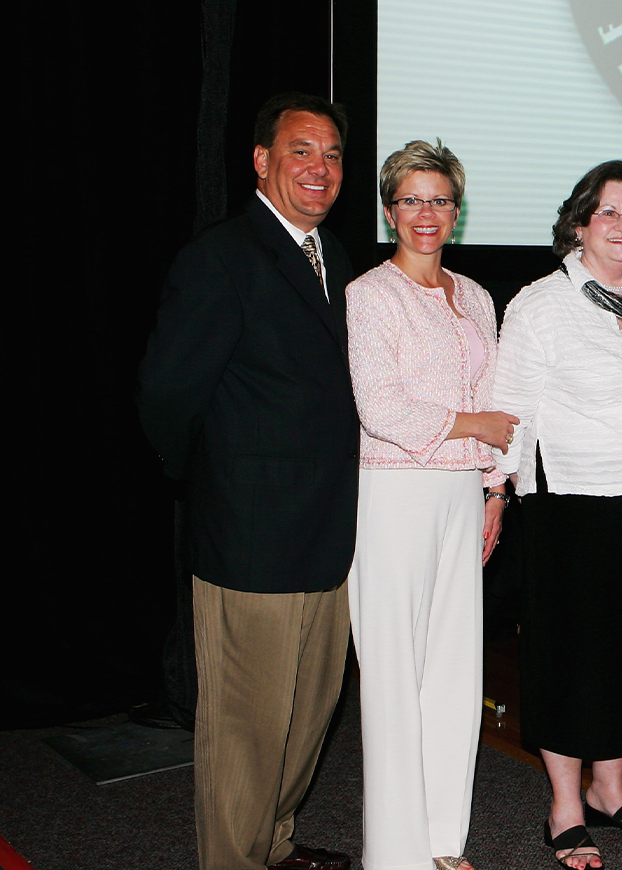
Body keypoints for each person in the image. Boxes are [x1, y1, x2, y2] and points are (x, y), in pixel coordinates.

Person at [138, 91, 358, 870]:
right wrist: (216, 484)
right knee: (245, 727)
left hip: (330, 535)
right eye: (301, 151)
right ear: (262, 162)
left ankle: (273, 842)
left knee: (307, 718)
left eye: (332, 154)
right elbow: (167, 397)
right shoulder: (220, 258)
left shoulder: (343, 261)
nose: (320, 168)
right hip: (250, 536)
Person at [492, 160, 622, 870]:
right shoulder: (540, 304)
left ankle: (611, 790)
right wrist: (498, 493)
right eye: (610, 213)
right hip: (569, 503)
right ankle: (564, 806)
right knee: (568, 655)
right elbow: (513, 411)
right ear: (579, 223)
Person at [345, 139, 516, 870]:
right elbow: (381, 407)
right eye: (411, 199)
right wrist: (475, 429)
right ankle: (395, 854)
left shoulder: (475, 296)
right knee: (393, 676)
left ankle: (443, 843)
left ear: (457, 210)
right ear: (389, 210)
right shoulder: (367, 295)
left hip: (462, 493)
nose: (427, 213)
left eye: (440, 200)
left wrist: (495, 489)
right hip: (392, 494)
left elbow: (498, 400)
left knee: (453, 674)